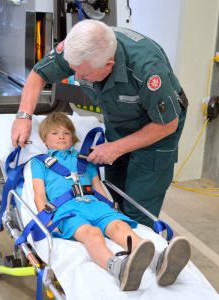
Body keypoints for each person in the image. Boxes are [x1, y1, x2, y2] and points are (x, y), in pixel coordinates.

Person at [11, 19, 188, 228]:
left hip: (157, 127)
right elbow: (39, 73)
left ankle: (139, 246)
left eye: (84, 74)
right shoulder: (78, 48)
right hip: (118, 118)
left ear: (108, 65)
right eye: (74, 70)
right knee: (114, 191)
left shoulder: (147, 71)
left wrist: (117, 147)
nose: (77, 77)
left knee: (139, 202)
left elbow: (167, 124)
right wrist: (23, 116)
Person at [30, 112, 191, 291]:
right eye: (55, 133)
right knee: (92, 234)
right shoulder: (39, 163)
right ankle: (118, 268)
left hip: (95, 205)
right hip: (67, 210)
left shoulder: (85, 160)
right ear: (44, 140)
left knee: (120, 227)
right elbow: (39, 194)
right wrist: (47, 220)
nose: (61, 136)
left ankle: (158, 262)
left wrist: (111, 208)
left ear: (73, 137)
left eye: (66, 133)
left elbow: (97, 186)